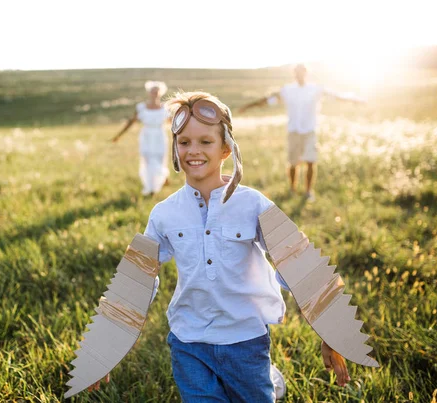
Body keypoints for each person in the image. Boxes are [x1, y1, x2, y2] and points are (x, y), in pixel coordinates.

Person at [91, 91, 350, 401]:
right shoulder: (163, 214)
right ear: (174, 149)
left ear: (226, 148)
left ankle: (268, 379)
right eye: (184, 142)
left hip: (245, 342)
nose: (193, 151)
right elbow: (137, 280)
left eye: (205, 141)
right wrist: (106, 345)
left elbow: (298, 265)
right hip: (188, 343)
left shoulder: (252, 203)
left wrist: (331, 331)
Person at [237, 64, 365, 202]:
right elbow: (268, 100)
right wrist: (248, 106)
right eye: (297, 73)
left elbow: (336, 96)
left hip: (310, 131)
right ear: (294, 74)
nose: (299, 75)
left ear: (306, 73)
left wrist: (354, 100)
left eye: (302, 72)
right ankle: (292, 189)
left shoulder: (315, 89)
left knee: (311, 161)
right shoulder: (288, 90)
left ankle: (308, 191)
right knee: (293, 163)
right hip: (294, 131)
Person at [112, 80, 170, 196]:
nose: (154, 93)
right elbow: (131, 122)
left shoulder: (165, 108)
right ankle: (149, 187)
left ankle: (159, 183)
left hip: (159, 136)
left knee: (159, 160)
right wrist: (119, 135)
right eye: (152, 91)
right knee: (147, 161)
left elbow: (173, 123)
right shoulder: (141, 108)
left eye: (156, 91)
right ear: (149, 92)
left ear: (160, 93)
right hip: (146, 137)